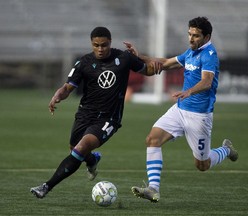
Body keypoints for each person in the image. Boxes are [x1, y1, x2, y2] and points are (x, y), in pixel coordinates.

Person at [30, 26, 162, 199]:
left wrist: (158, 67)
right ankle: (92, 161)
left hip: (109, 118)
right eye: (96, 45)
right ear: (91, 44)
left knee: (81, 148)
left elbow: (148, 70)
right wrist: (57, 95)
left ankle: (46, 186)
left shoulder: (124, 58)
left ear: (110, 42)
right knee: (75, 148)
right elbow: (67, 87)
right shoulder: (84, 62)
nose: (100, 49)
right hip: (85, 114)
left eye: (104, 45)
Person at [124, 16, 239, 203]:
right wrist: (138, 56)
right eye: (189, 34)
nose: (191, 39)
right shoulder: (191, 52)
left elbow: (207, 82)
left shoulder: (209, 55)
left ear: (207, 37)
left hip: (199, 116)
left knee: (202, 165)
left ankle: (226, 149)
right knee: (152, 139)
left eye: (196, 35)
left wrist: (189, 91)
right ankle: (153, 189)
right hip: (179, 109)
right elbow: (165, 63)